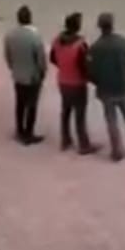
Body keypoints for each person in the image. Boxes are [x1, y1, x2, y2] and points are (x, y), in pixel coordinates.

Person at [88, 12, 125, 162]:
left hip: (106, 90)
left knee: (111, 121)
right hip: (124, 88)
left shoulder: (94, 48)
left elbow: (91, 72)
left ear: (100, 27)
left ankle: (117, 152)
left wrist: (98, 83)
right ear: (112, 25)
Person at [50, 12, 96, 154]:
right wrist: (89, 78)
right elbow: (85, 66)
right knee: (80, 114)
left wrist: (63, 67)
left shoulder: (57, 40)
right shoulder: (80, 45)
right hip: (77, 84)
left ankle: (65, 139)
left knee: (65, 111)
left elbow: (53, 58)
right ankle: (83, 145)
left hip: (63, 81)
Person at [3, 5, 47, 145]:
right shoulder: (35, 36)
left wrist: (13, 68)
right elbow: (40, 58)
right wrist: (42, 72)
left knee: (20, 104)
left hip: (18, 74)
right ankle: (28, 133)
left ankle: (19, 130)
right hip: (32, 76)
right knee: (32, 105)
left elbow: (8, 56)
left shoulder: (10, 35)